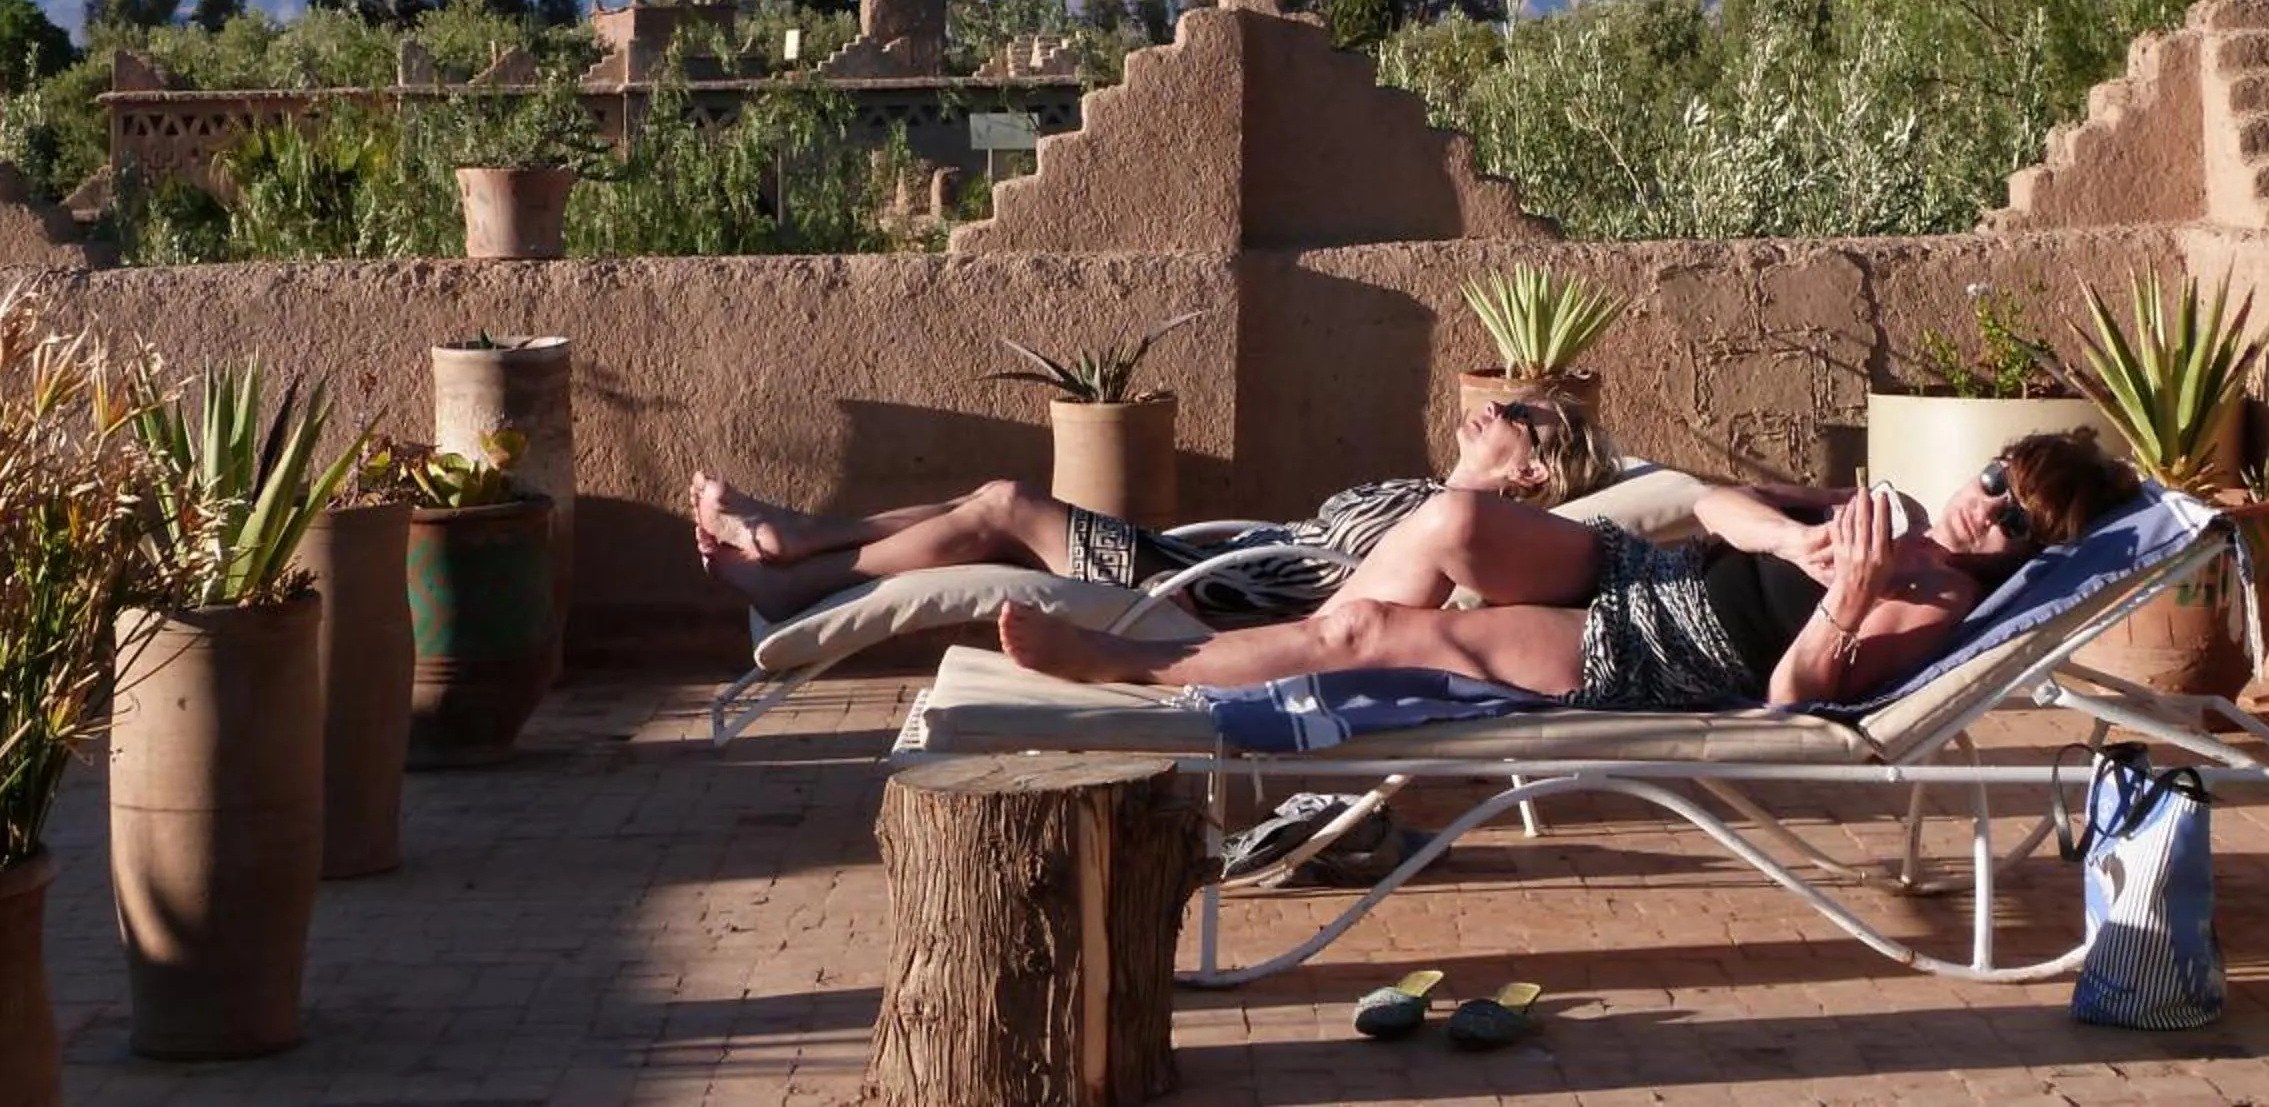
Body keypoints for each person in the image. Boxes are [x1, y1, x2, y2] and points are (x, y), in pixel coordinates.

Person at [997, 428, 2143, 711]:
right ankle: (1278, 657)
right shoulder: (1892, 513)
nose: (1986, 505)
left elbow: (1792, 698)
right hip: (1645, 566)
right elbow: (1712, 499)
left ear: (2031, 550)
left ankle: (1135, 665)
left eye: (2015, 519)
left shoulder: (1933, 597)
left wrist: (1840, 605)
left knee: (1377, 634)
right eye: (1996, 477)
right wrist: (1794, 539)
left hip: (1660, 649)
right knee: (1454, 518)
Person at [689, 392, 1623, 625]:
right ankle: (802, 543)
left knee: (1006, 505)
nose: (1496, 405)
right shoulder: (1420, 493)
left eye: (1521, 417)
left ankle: (799, 570)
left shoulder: (1457, 528)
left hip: (1205, 598)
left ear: (1530, 476)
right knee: (983, 502)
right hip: (1203, 562)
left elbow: (1347, 607)